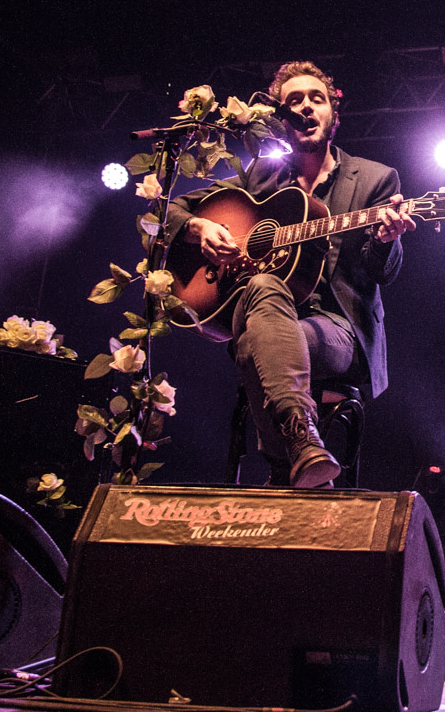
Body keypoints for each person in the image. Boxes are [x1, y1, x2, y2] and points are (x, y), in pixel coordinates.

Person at [165, 61, 415, 488]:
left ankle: (283, 467)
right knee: (260, 309)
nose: (305, 107)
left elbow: (379, 273)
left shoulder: (374, 178)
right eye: (293, 100)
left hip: (339, 328)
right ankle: (305, 454)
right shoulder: (261, 177)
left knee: (251, 343)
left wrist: (387, 239)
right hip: (268, 316)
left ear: (334, 112)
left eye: (316, 99)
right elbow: (169, 209)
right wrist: (200, 227)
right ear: (280, 118)